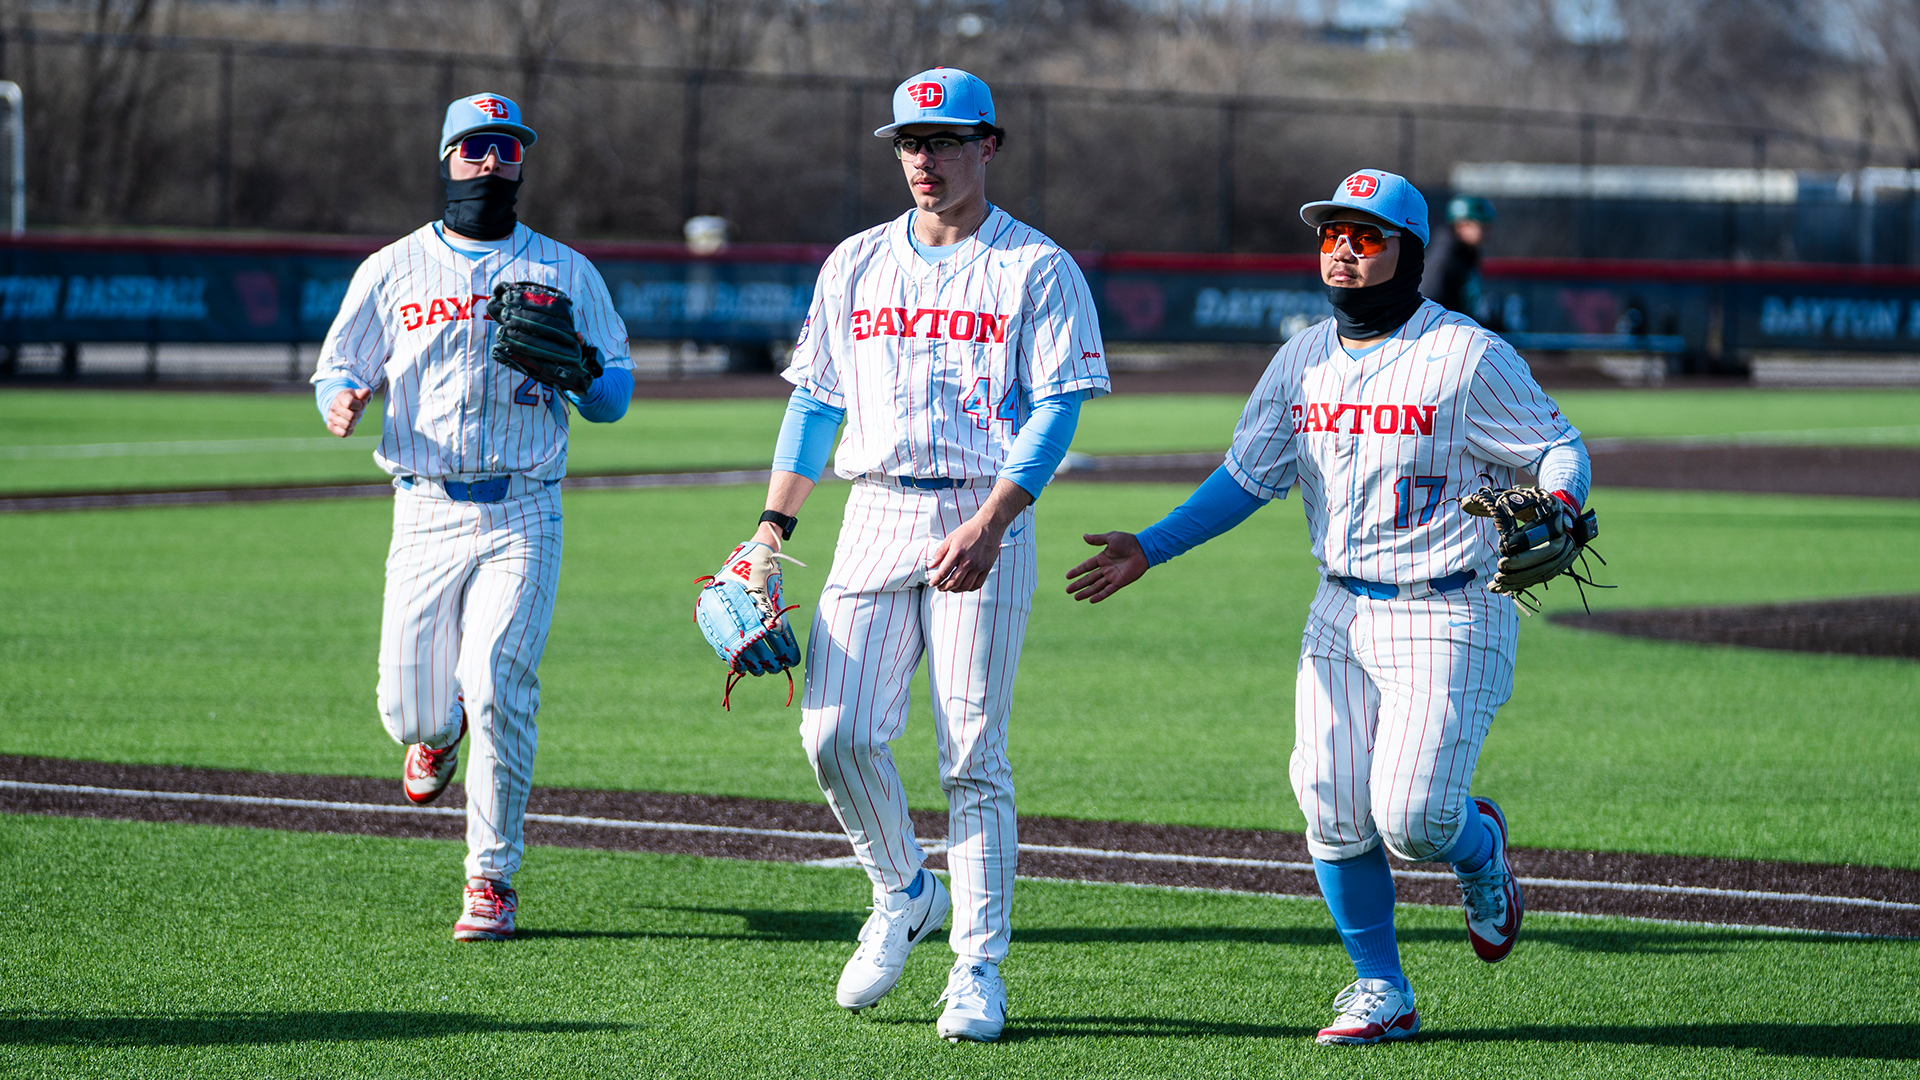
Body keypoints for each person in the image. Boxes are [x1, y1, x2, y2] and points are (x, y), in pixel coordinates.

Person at [1066, 170, 1590, 1047]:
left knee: (1416, 821)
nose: (1343, 249)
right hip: (1339, 610)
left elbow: (1556, 449)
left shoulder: (1467, 354)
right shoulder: (1300, 359)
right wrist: (1149, 547)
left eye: (1367, 235)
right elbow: (1246, 479)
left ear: (1409, 251)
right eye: (1330, 235)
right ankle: (1382, 987)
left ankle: (1478, 850)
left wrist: (1564, 503)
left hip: (1450, 610)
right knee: (1330, 804)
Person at [740, 67, 1108, 1042]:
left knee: (971, 749)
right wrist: (772, 530)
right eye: (910, 141)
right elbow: (816, 401)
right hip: (874, 509)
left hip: (986, 511)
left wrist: (992, 521)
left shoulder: (1037, 268)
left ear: (988, 145)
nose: (925, 158)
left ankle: (976, 970)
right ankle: (903, 887)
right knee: (836, 735)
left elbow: (1059, 409)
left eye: (946, 141)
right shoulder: (857, 262)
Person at [311, 92, 634, 942]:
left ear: (522, 162)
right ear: (448, 158)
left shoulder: (566, 271)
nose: (492, 162)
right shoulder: (391, 268)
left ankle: (490, 878)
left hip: (525, 507)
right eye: (476, 148)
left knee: (497, 681)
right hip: (422, 508)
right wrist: (340, 399)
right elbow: (336, 366)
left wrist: (587, 373)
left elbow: (617, 396)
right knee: (408, 711)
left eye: (507, 148)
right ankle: (434, 732)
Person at [1425, 193, 1497, 325]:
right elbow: (1428, 301)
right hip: (1442, 336)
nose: (1487, 231)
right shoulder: (1446, 256)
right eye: (1481, 225)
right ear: (1461, 225)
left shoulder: (1466, 254)